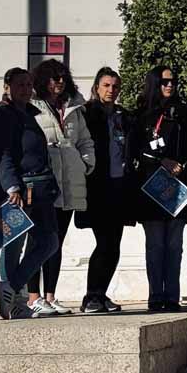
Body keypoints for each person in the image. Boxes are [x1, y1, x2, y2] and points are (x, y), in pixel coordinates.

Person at [0, 68, 62, 320]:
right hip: (17, 192)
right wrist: (12, 187)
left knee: (49, 241)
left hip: (39, 191)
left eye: (29, 85)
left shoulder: (29, 113)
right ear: (6, 86)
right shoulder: (0, 116)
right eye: (20, 84)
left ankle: (11, 288)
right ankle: (14, 303)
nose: (26, 90)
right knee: (13, 246)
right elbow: (1, 155)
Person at [129, 65, 187, 312]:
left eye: (173, 81)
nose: (170, 85)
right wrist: (161, 161)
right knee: (155, 245)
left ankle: (171, 296)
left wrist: (183, 166)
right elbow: (135, 151)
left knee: (174, 245)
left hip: (178, 189)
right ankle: (155, 295)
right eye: (164, 81)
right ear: (154, 83)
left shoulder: (185, 113)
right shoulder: (141, 114)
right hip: (152, 189)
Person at [25, 59, 95, 316]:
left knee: (56, 242)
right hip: (43, 183)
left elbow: (85, 140)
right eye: (55, 77)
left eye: (63, 77)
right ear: (44, 80)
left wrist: (86, 163)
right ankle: (33, 297)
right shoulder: (32, 106)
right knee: (37, 241)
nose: (60, 82)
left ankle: (50, 296)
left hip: (69, 183)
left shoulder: (74, 106)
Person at [75, 67, 135, 313]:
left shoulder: (124, 116)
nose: (111, 90)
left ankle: (101, 293)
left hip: (119, 186)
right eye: (107, 86)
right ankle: (91, 296)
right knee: (104, 242)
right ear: (97, 88)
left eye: (115, 86)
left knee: (114, 244)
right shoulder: (86, 113)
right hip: (97, 187)